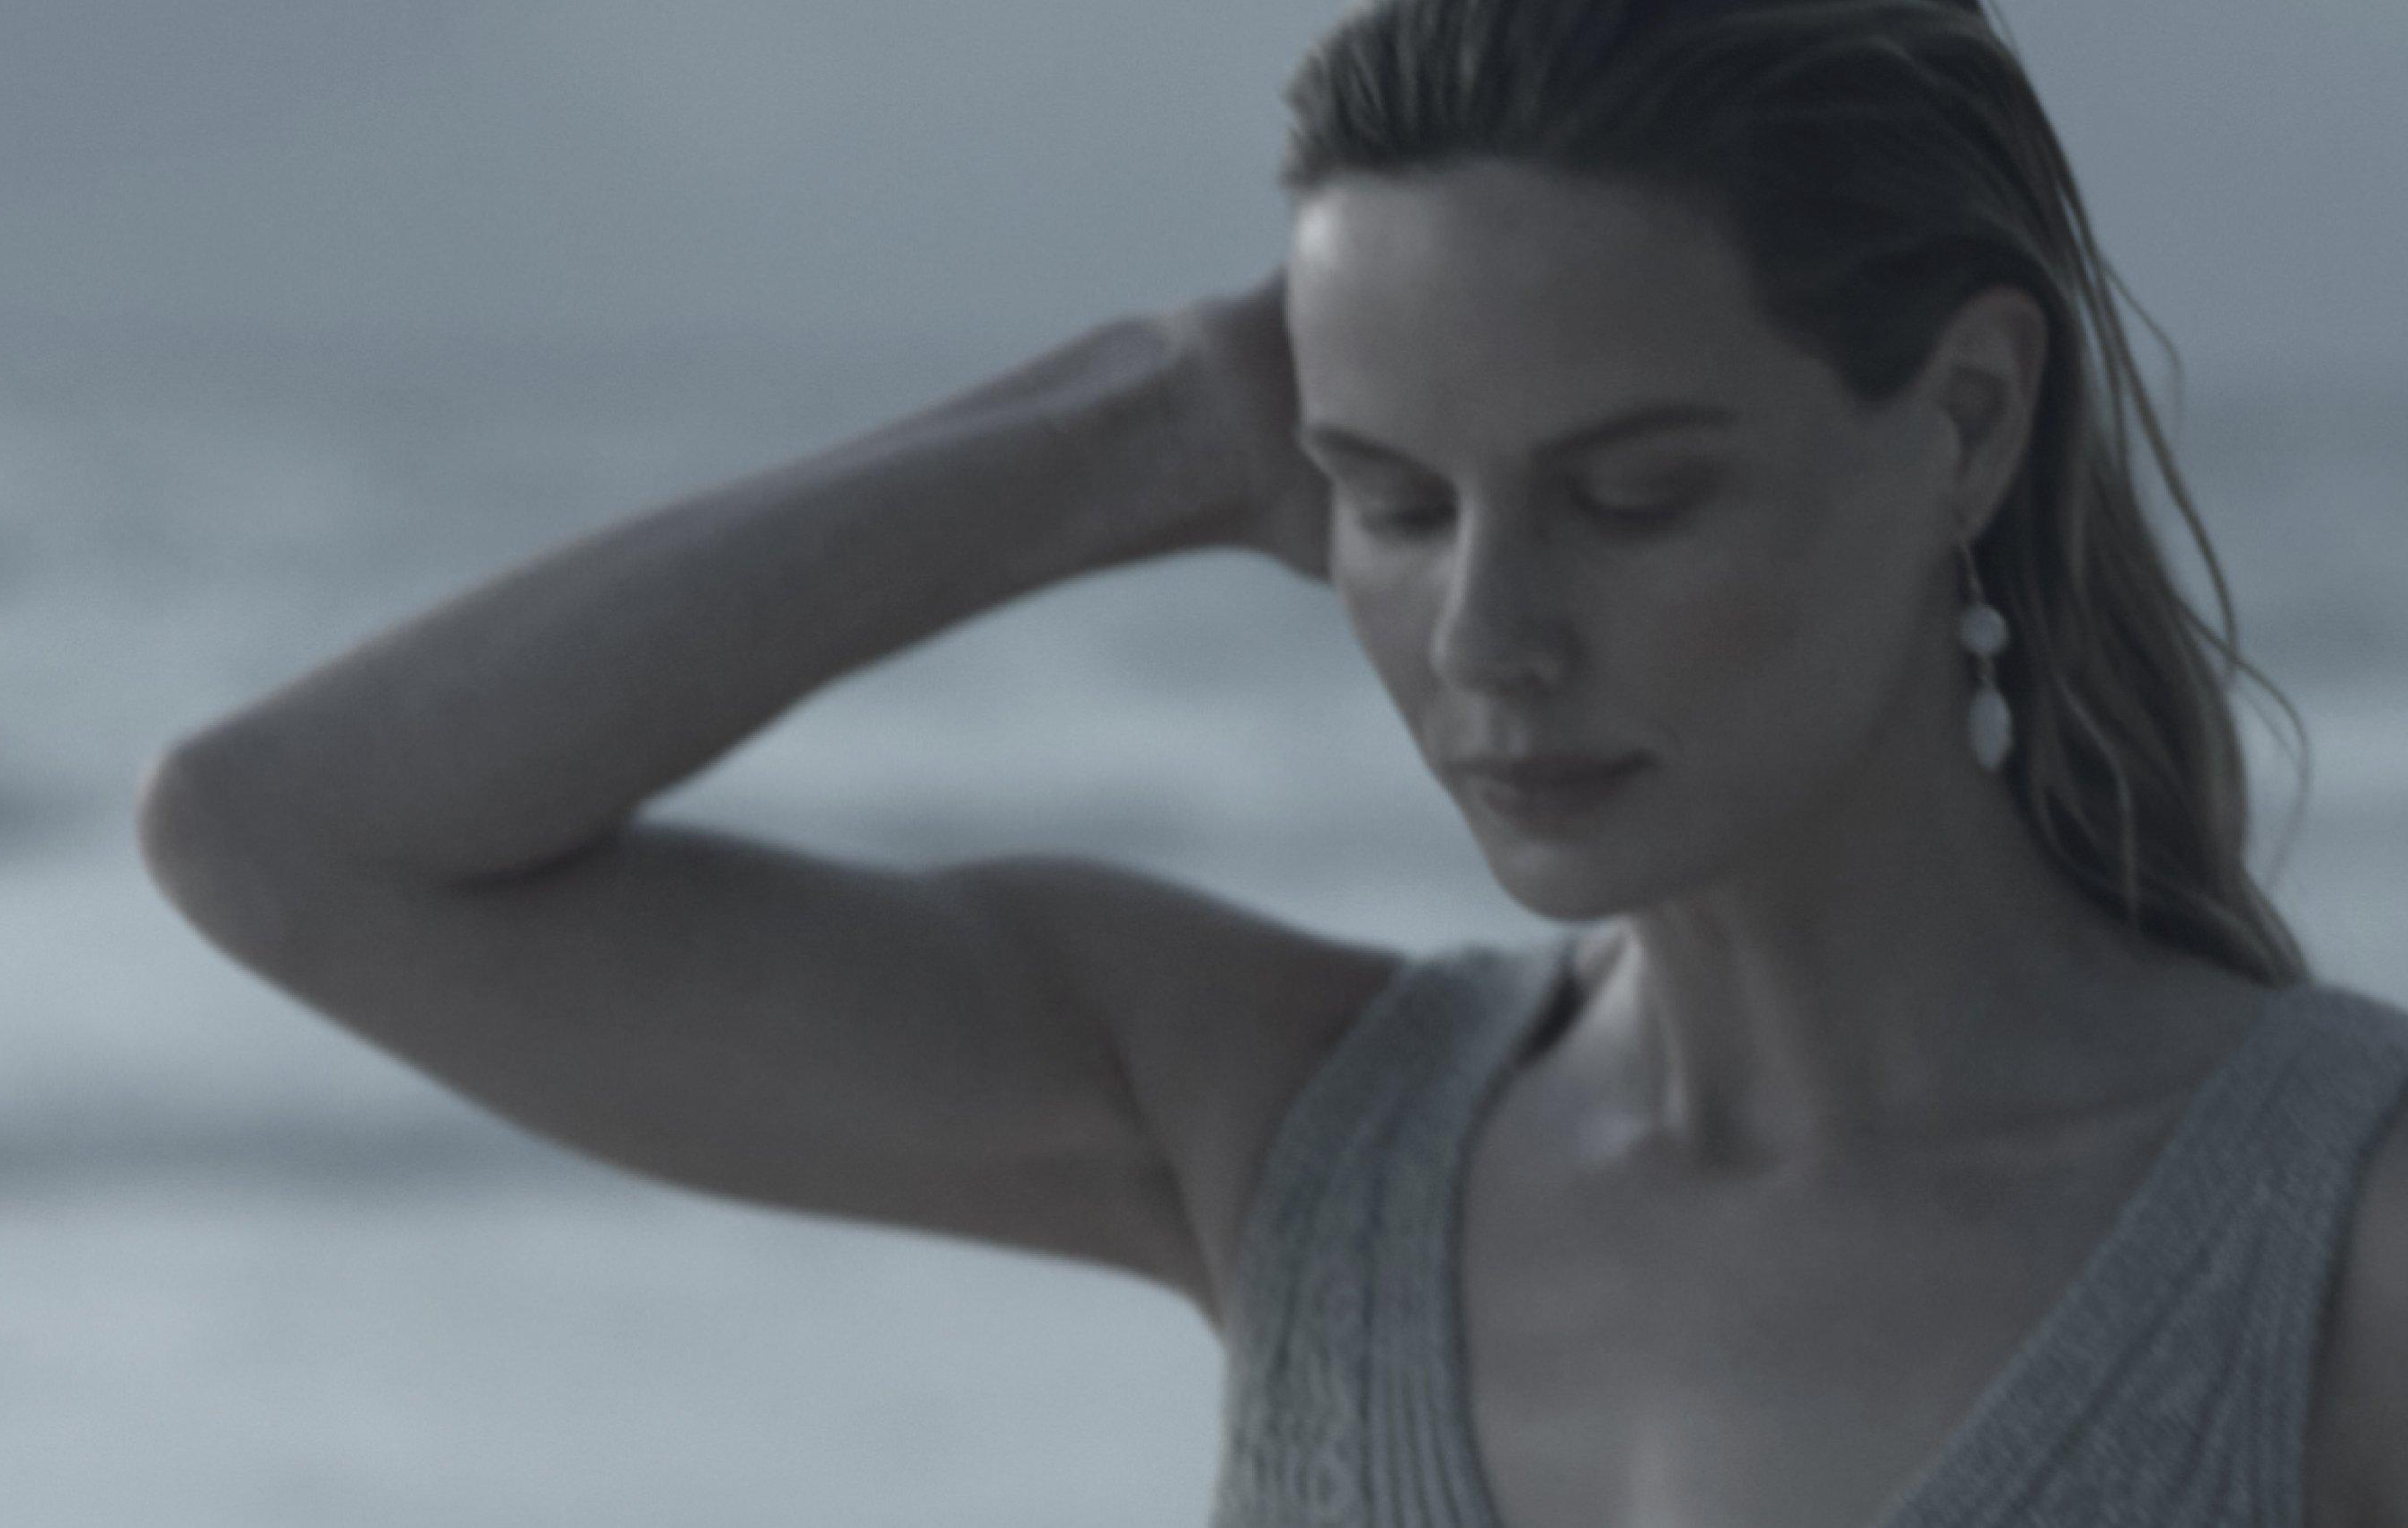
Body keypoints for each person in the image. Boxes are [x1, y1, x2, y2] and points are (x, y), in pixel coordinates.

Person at [135, 0, 2408, 1522]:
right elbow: (294, 840)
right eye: (1392, 503)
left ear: (1970, 424)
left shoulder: (2334, 1241)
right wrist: (1145, 424)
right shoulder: (1287, 1130)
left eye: (1632, 497)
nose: (1488, 640)